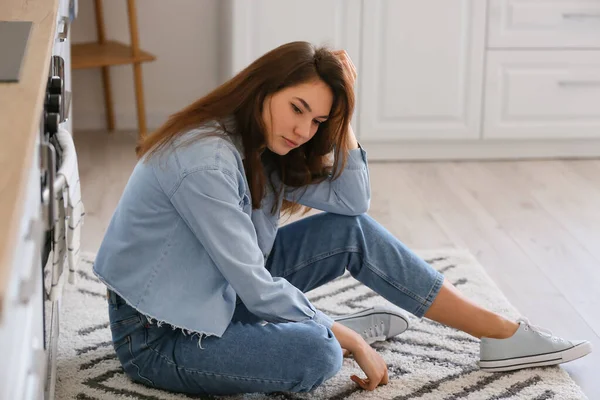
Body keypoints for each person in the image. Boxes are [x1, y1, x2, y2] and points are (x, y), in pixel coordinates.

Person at [93, 41, 592, 396]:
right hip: (161, 336)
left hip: (213, 294)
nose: (302, 130)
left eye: (317, 120)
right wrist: (342, 339)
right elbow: (255, 284)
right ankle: (327, 330)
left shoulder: (263, 143)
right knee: (319, 356)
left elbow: (353, 203)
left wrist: (344, 118)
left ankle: (502, 335)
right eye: (297, 108)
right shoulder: (204, 159)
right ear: (263, 89)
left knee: (349, 234)